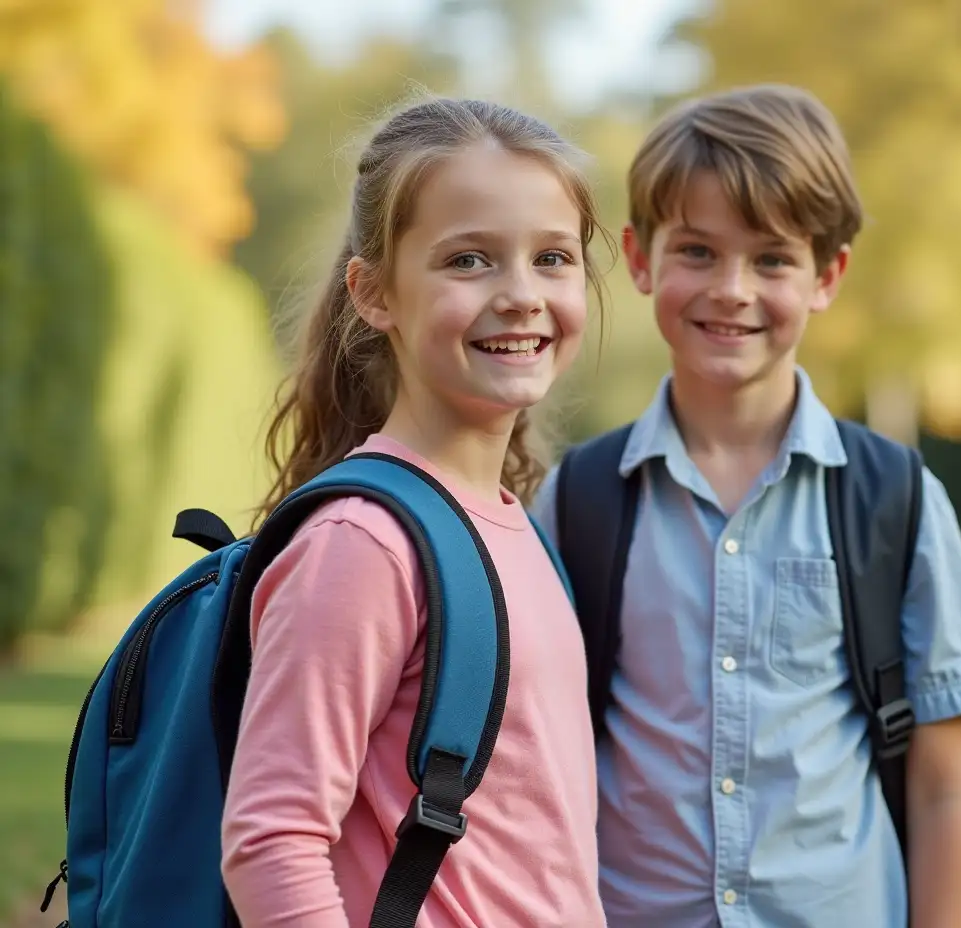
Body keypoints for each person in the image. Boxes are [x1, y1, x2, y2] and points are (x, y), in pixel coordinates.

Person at [531, 84, 961, 928]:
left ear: (827, 275)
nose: (732, 289)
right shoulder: (578, 501)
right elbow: (532, 766)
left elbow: (943, 785)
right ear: (640, 258)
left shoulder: (893, 500)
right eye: (697, 252)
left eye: (772, 260)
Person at [220, 96, 609, 928]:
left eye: (552, 257)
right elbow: (272, 841)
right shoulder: (361, 545)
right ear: (374, 293)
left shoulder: (511, 525)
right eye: (468, 261)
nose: (520, 295)